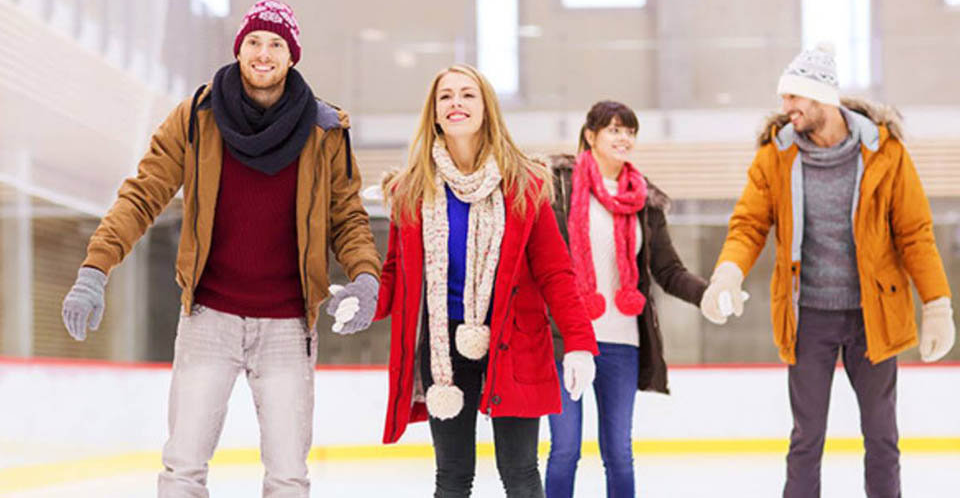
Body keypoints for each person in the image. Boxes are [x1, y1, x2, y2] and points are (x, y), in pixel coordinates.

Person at [59, 0, 381, 496]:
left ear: (292, 55)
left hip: (289, 326)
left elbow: (348, 218)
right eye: (254, 40)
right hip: (209, 318)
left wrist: (364, 276)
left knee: (288, 476)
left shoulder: (323, 130)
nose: (264, 52)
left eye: (276, 43)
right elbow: (141, 195)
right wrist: (94, 269)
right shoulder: (196, 117)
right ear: (239, 47)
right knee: (183, 467)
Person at [700, 43, 956, 498]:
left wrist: (936, 304)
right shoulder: (774, 156)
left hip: (872, 313)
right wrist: (727, 273)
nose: (786, 108)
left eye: (794, 98)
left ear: (822, 98)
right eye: (783, 99)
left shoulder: (886, 153)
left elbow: (915, 234)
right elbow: (749, 225)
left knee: (882, 437)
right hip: (808, 316)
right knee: (806, 438)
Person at [374, 64, 599, 497]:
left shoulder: (524, 183)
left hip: (514, 343)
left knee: (519, 472)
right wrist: (365, 300)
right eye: (446, 97)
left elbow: (556, 272)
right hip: (443, 350)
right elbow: (394, 276)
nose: (456, 103)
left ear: (486, 109)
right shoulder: (412, 190)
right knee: (452, 476)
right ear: (434, 114)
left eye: (467, 94)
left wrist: (579, 343)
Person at [544, 101, 708, 498]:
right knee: (564, 449)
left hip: (622, 341)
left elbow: (668, 271)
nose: (624, 138)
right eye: (614, 129)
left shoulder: (644, 200)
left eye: (630, 131)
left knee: (618, 451)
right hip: (566, 340)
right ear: (590, 136)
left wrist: (709, 294)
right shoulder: (558, 186)